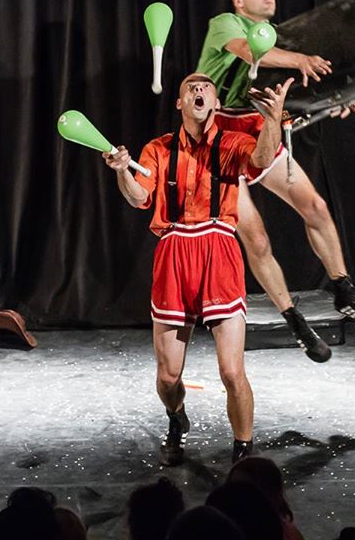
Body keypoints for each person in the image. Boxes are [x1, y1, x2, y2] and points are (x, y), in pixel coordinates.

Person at [104, 72, 292, 465]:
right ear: (180, 103)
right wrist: (122, 170)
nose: (199, 89)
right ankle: (176, 417)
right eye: (191, 87)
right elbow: (139, 197)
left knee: (231, 371)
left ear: (217, 103)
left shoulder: (231, 142)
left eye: (207, 86)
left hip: (219, 250)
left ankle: (243, 452)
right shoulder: (158, 149)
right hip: (174, 252)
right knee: (168, 376)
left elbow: (261, 159)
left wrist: (272, 120)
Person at [197, 0, 355, 363]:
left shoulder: (281, 40)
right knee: (256, 237)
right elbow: (249, 52)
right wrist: (300, 59)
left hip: (257, 132)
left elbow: (299, 88)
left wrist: (336, 99)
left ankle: (343, 289)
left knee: (315, 207)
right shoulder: (226, 24)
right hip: (216, 140)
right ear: (239, 1)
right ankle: (294, 320)